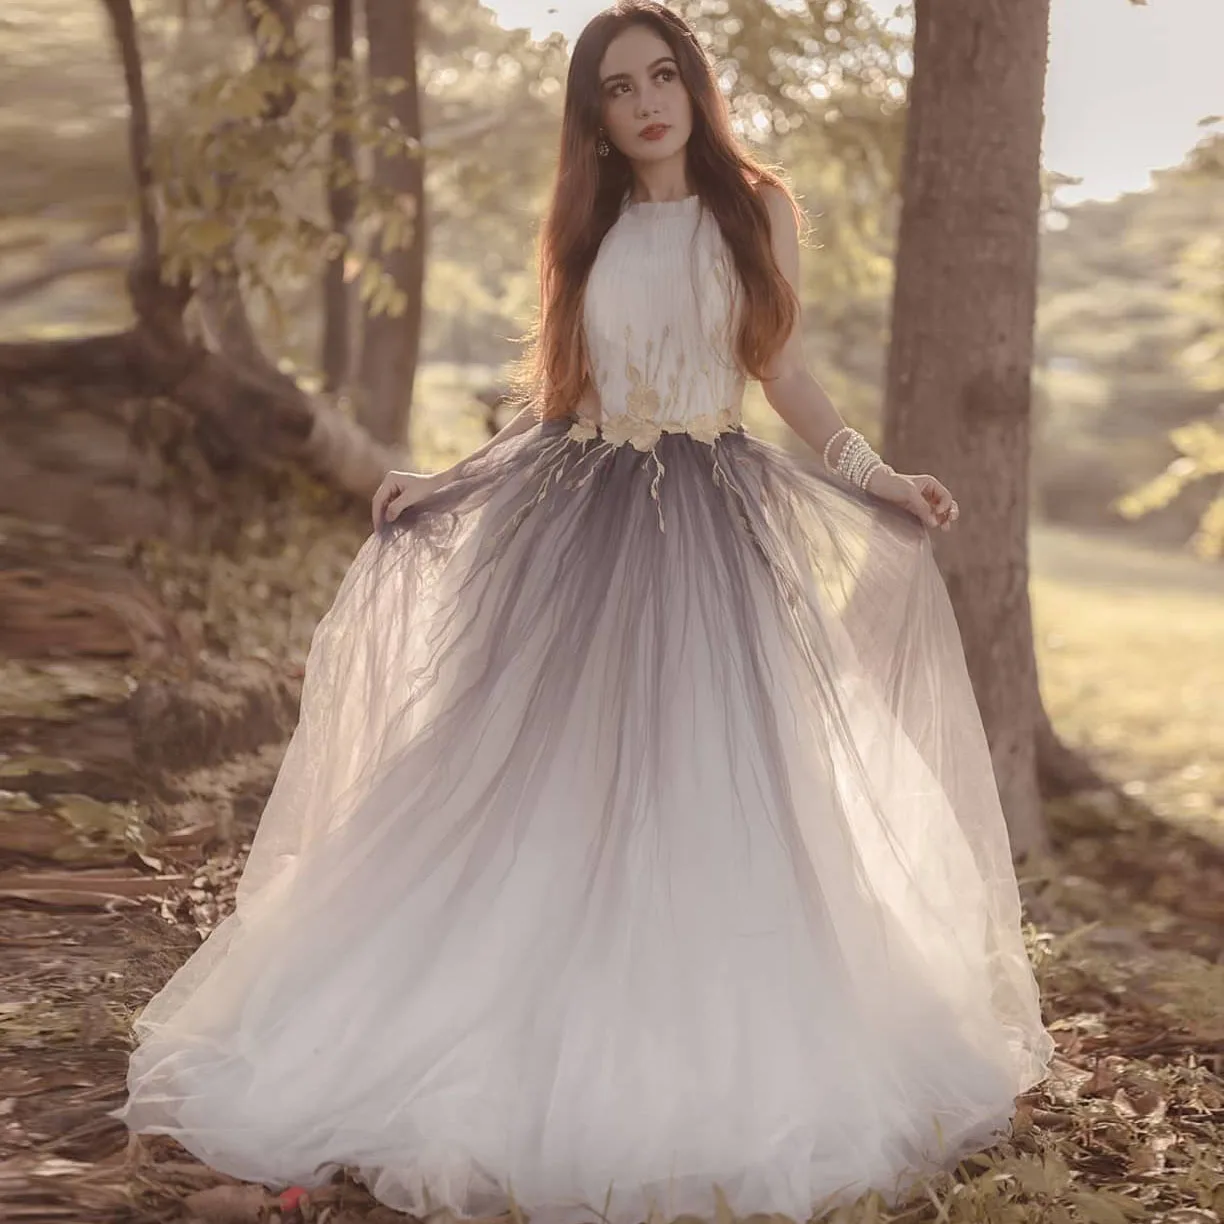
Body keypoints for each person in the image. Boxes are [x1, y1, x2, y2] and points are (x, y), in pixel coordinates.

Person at [110, 3, 1054, 1221]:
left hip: (712, 531)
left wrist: (877, 475)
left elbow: (783, 372)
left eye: (665, 75)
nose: (649, 100)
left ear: (694, 86)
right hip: (578, 526)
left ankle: (695, 1039)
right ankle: (497, 1015)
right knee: (532, 780)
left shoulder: (755, 208)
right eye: (620, 87)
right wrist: (444, 479)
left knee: (715, 785)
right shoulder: (588, 225)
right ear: (595, 113)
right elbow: (557, 399)